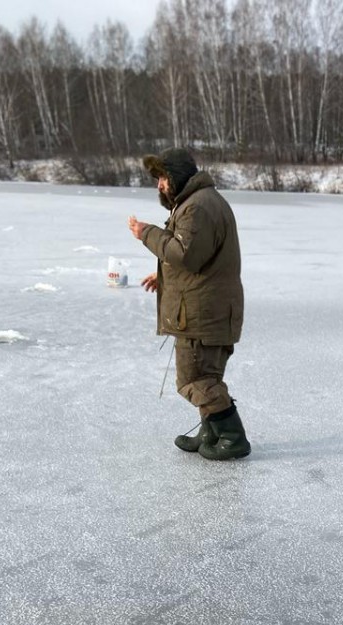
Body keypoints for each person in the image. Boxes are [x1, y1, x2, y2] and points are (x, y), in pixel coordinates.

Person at [127, 147, 250, 460]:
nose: (159, 185)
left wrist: (146, 233)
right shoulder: (200, 201)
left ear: (177, 176)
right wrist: (164, 278)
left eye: (163, 178)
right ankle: (211, 432)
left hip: (203, 313)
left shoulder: (197, 207)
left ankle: (233, 437)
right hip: (207, 307)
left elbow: (185, 255)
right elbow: (199, 256)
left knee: (194, 380)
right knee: (205, 375)